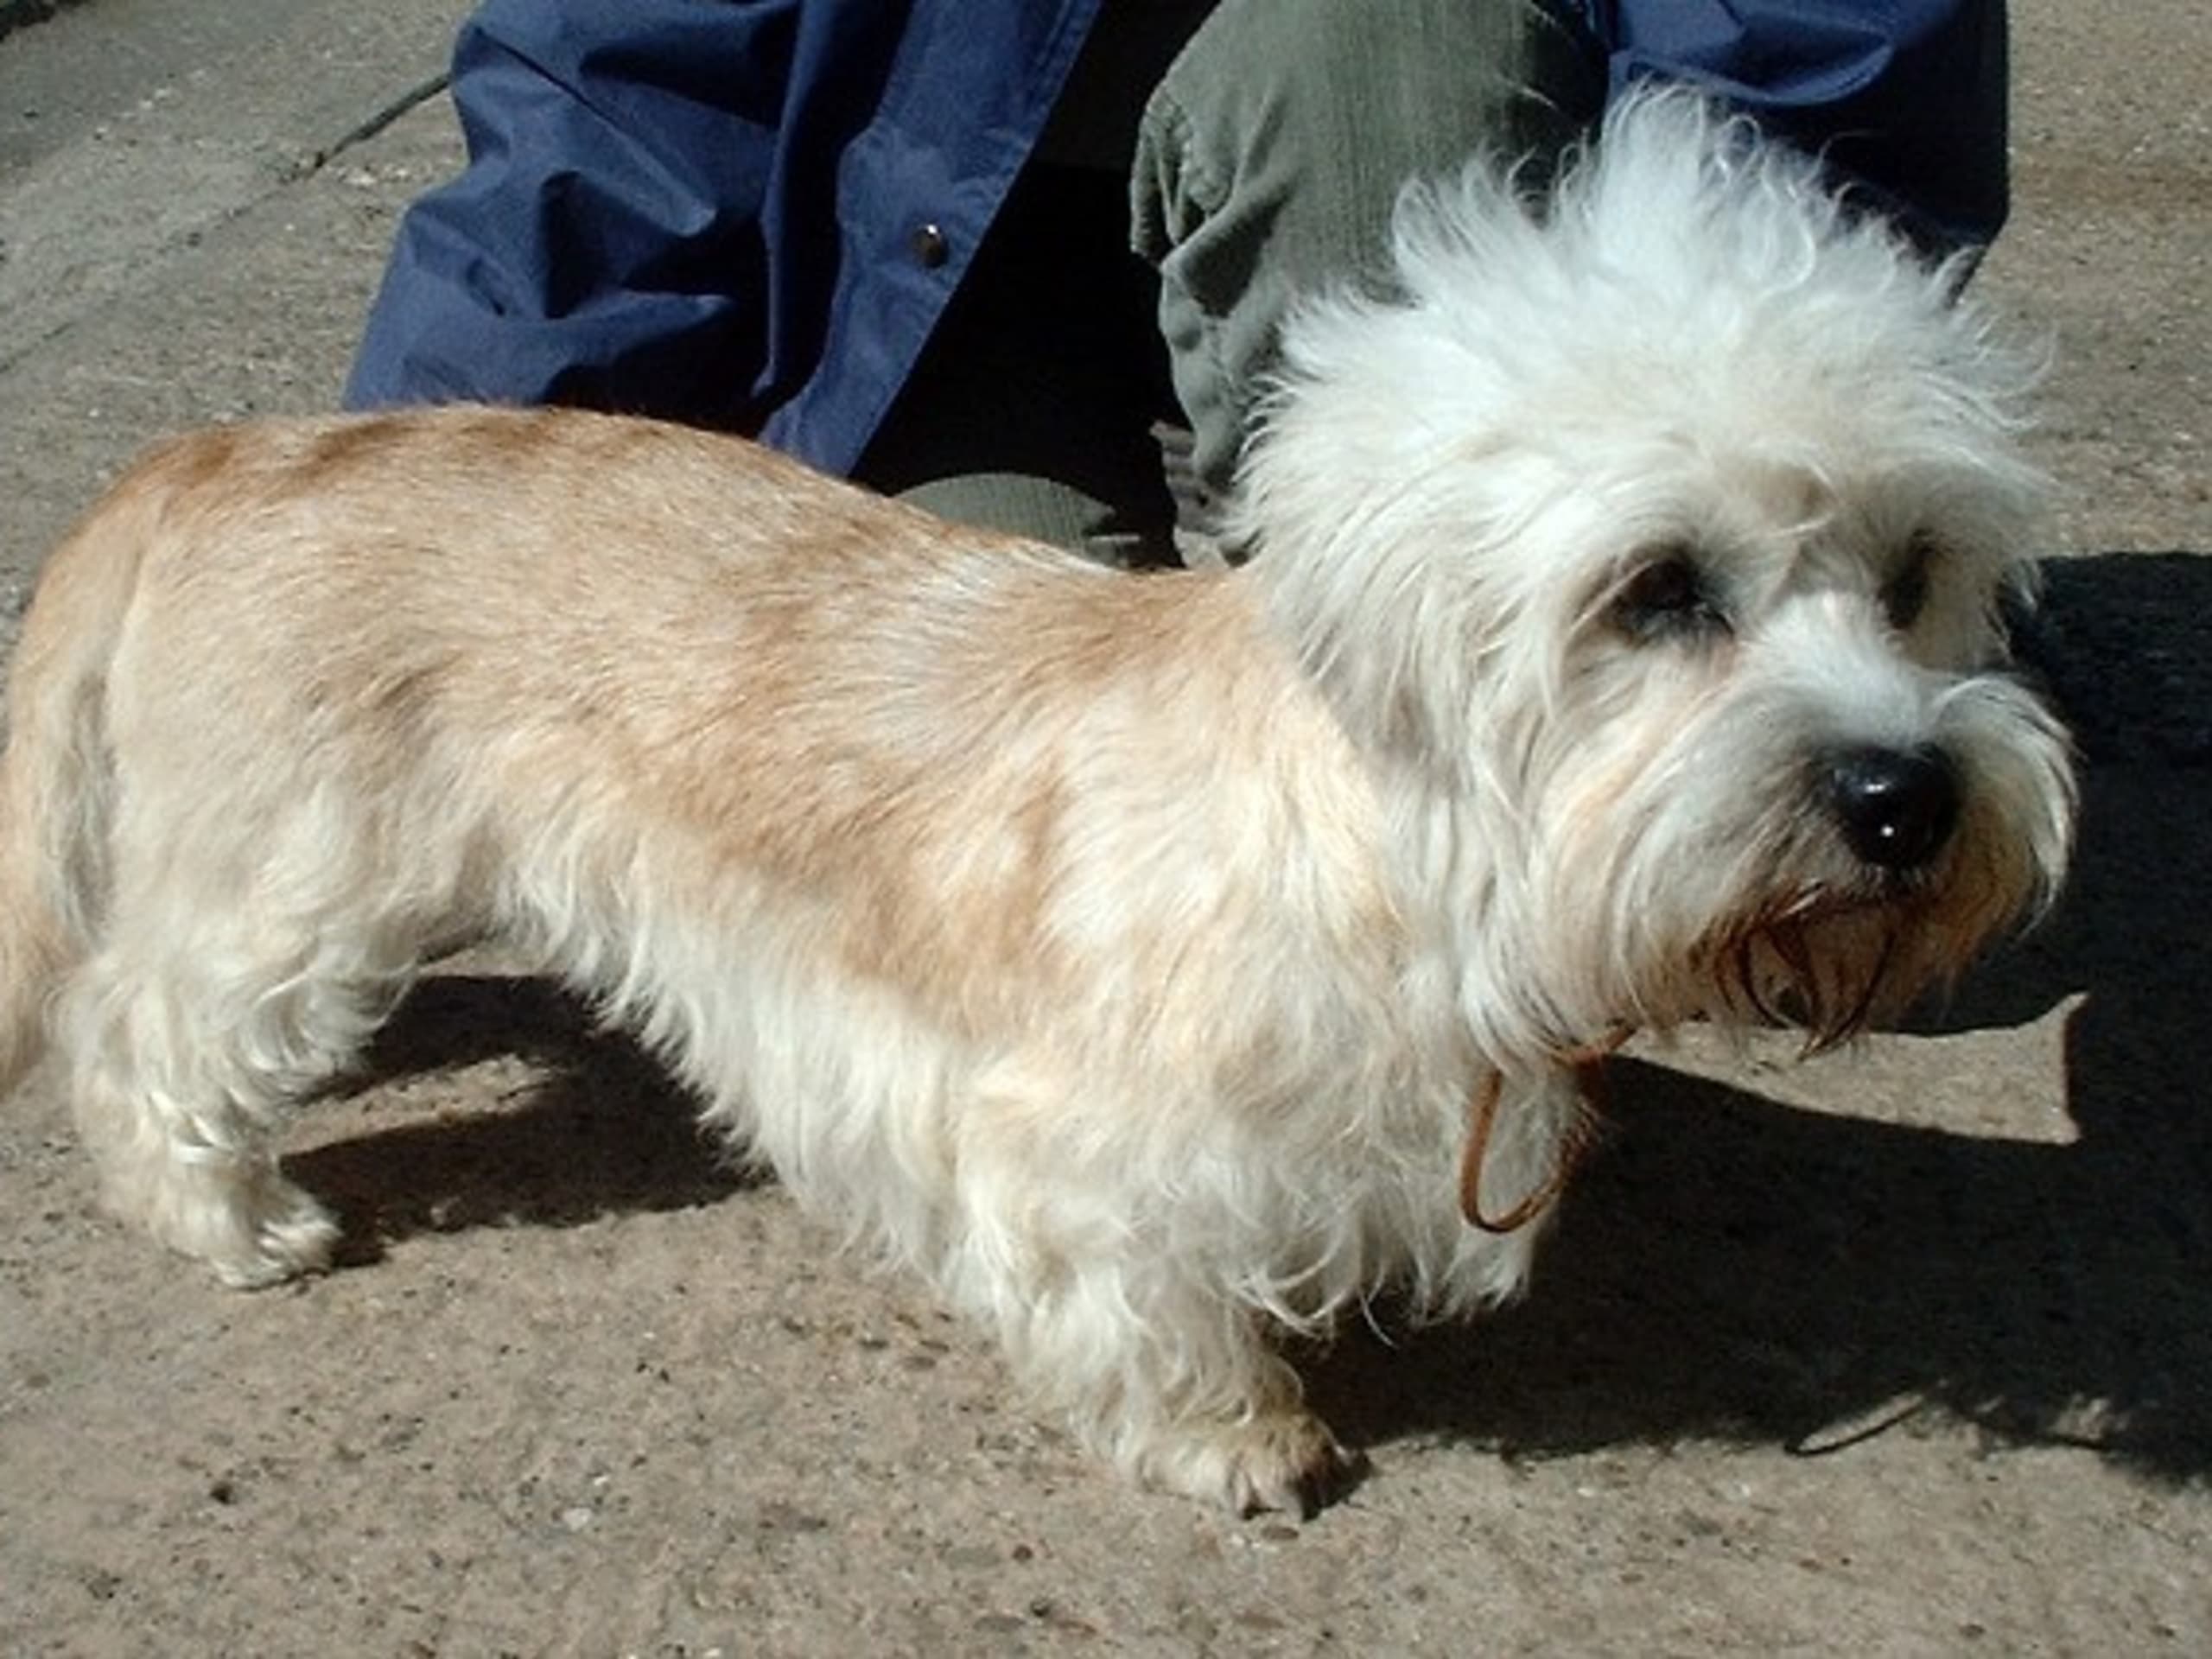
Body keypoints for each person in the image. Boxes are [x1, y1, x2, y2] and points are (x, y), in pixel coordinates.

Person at [345, 0, 2012, 566]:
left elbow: (1813, 49)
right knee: (970, 828)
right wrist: (405, 558)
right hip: (955, 253)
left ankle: (1475, 735)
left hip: (1449, 192)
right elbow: (629, 77)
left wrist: (1780, 476)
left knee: (1365, 53)